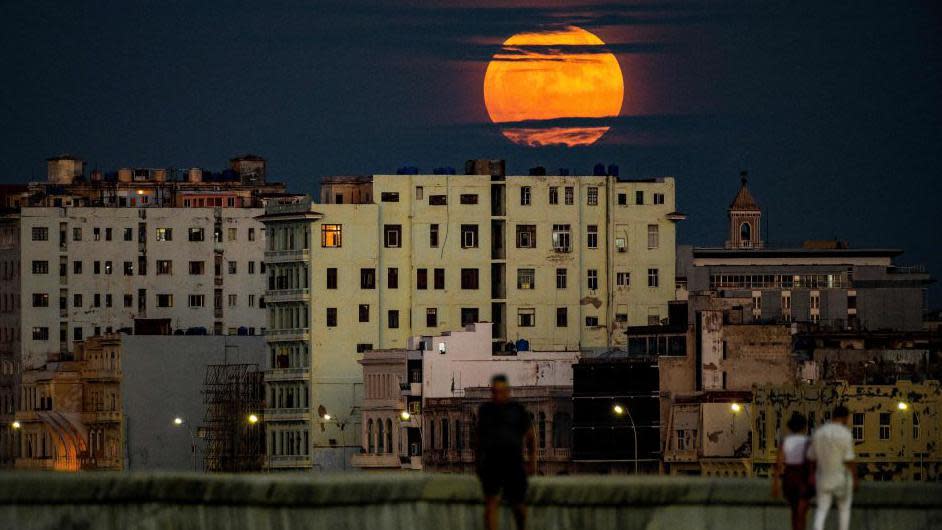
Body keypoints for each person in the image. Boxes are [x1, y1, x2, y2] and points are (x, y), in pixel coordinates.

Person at [475, 374, 537, 530]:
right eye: (495, 392)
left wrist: (532, 462)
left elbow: (531, 438)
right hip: (492, 464)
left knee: (518, 507)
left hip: (514, 463)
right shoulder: (486, 411)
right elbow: (479, 440)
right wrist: (479, 465)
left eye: (502, 391)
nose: (498, 395)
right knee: (491, 506)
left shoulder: (517, 410)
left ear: (508, 392)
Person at [807, 405, 858, 530]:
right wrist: (855, 478)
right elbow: (849, 460)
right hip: (841, 478)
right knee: (844, 510)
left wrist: (812, 475)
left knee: (821, 511)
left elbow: (811, 457)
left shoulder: (819, 432)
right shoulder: (845, 434)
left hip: (823, 477)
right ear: (845, 417)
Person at [772, 412, 813, 530]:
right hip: (803, 479)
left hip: (789, 478)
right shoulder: (808, 441)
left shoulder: (785, 441)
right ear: (804, 427)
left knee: (794, 512)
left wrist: (775, 484)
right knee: (802, 513)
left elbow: (778, 464)